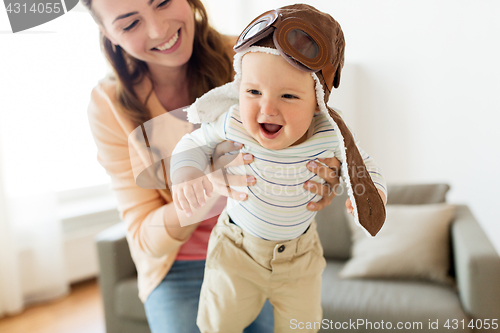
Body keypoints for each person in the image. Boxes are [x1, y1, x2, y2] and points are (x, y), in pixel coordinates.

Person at [82, 0, 342, 332]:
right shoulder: (108, 105)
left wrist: (325, 171)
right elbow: (144, 237)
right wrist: (204, 184)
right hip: (179, 267)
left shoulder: (252, 57)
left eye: (162, 2)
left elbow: (318, 124)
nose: (159, 30)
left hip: (263, 251)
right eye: (130, 24)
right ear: (108, 33)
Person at [170, 4, 387, 332]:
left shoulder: (328, 135)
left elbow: (364, 166)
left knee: (303, 327)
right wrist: (187, 171)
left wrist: (374, 195)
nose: (267, 108)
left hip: (299, 260)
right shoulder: (233, 122)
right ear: (238, 89)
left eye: (288, 95)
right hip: (237, 251)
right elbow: (193, 143)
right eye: (253, 92)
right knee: (217, 325)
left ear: (317, 102)